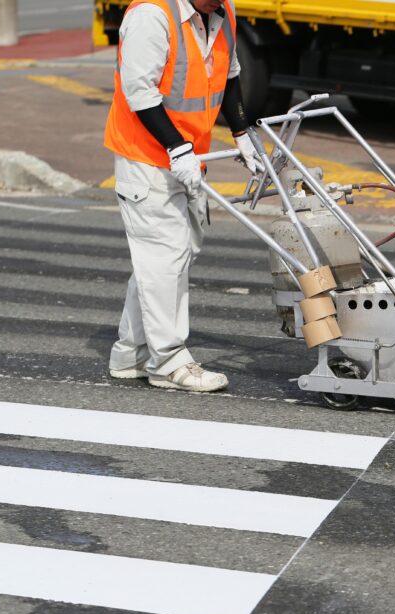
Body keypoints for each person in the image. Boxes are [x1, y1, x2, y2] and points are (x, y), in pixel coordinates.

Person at [104, 0, 260, 392]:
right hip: (147, 159)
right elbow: (139, 91)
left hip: (188, 157)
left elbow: (229, 75)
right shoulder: (151, 16)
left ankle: (131, 353)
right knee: (164, 256)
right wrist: (176, 147)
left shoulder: (223, 11)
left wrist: (241, 133)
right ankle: (168, 362)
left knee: (174, 255)